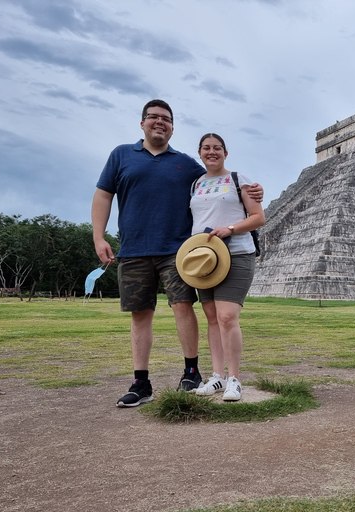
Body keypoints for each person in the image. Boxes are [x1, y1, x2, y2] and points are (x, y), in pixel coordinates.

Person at [91, 100, 263, 407]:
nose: (160, 122)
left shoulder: (187, 166)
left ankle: (192, 373)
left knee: (185, 308)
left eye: (166, 119)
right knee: (140, 314)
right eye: (153, 117)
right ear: (142, 123)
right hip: (134, 249)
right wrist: (98, 236)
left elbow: (220, 181)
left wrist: (256, 192)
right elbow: (103, 194)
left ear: (172, 126)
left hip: (180, 252)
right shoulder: (121, 155)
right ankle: (141, 383)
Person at [188, 133, 265, 401]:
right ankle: (217, 377)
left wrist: (229, 229)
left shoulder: (238, 179)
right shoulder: (196, 184)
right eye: (207, 148)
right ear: (199, 153)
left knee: (227, 317)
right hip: (204, 258)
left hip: (236, 253)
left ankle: (234, 379)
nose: (212, 152)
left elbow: (258, 217)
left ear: (225, 153)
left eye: (217, 148)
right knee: (211, 318)